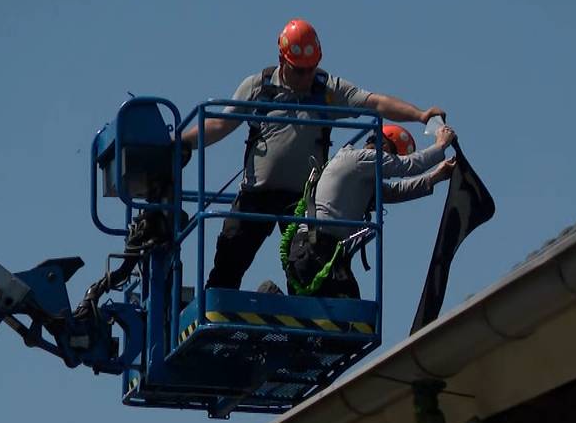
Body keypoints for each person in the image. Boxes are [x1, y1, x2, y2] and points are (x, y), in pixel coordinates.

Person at [181, 18, 445, 290]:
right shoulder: (259, 86)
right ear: (282, 60)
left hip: (302, 199)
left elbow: (374, 102)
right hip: (256, 194)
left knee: (306, 263)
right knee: (230, 254)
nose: (306, 77)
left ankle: (301, 316)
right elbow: (219, 124)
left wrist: (420, 115)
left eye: (311, 69)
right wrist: (181, 142)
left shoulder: (326, 88)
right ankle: (218, 307)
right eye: (299, 71)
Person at [284, 123, 457, 298]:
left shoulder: (361, 175)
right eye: (393, 157)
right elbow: (409, 165)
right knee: (349, 315)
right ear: (383, 147)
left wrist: (436, 176)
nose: (390, 165)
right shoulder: (362, 158)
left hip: (323, 253)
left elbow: (395, 191)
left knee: (351, 315)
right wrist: (441, 144)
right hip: (315, 251)